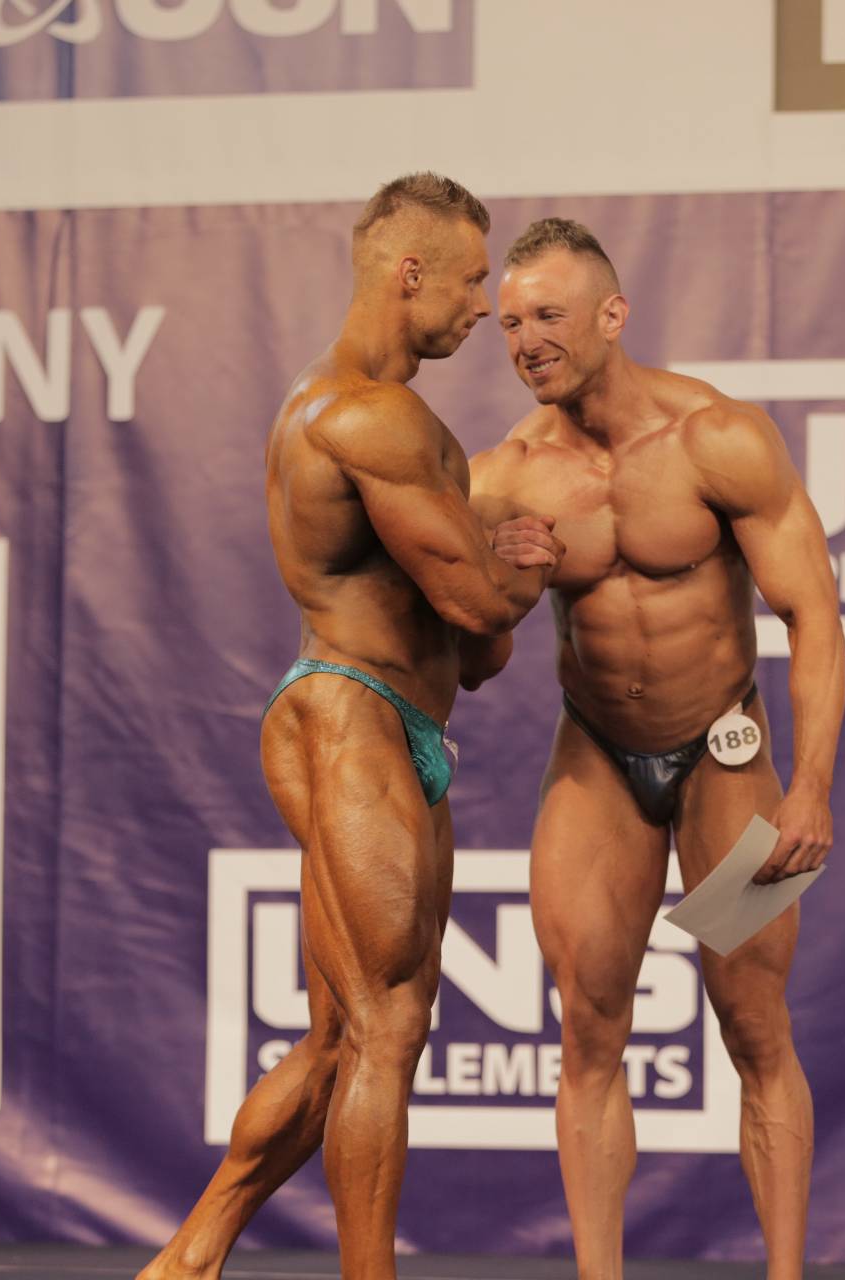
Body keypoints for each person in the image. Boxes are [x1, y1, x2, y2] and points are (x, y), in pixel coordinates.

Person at [137, 175, 561, 1280]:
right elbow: (480, 606)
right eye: (472, 281)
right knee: (389, 1025)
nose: (484, 306)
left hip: (406, 727)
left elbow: (477, 656)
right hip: (346, 712)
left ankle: (189, 1256)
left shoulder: (411, 428)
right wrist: (521, 569)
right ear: (409, 273)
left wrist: (502, 581)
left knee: (343, 1040)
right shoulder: (363, 415)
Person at [469, 219, 845, 1280]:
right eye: (509, 324)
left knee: (755, 1026)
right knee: (588, 1030)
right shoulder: (506, 477)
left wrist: (812, 785)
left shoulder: (717, 440)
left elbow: (812, 613)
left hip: (726, 756)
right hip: (597, 759)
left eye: (549, 315)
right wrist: (507, 586)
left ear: (612, 313)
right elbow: (475, 662)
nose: (527, 341)